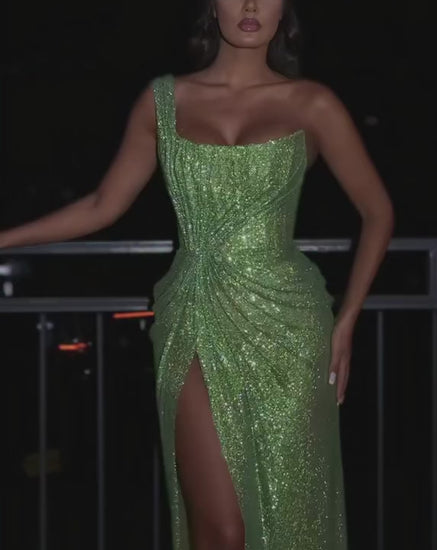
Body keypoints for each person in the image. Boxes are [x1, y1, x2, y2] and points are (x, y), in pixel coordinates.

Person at [0, 0, 394, 548]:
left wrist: (347, 320)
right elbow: (101, 205)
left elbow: (378, 212)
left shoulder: (313, 102)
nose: (250, 6)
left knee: (289, 511)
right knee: (221, 529)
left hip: (290, 327)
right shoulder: (164, 100)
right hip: (192, 314)